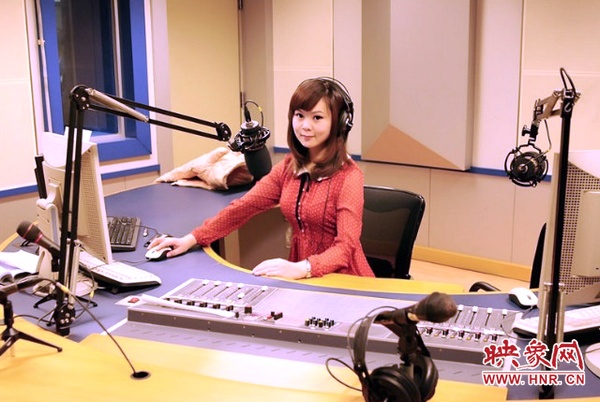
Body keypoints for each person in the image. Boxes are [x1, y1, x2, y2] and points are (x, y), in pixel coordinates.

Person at [148, 77, 374, 279]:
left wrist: (303, 268)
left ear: (339, 124)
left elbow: (346, 247)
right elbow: (243, 207)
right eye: (299, 115)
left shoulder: (349, 177)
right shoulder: (289, 167)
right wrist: (192, 238)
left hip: (345, 280)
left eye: (317, 117)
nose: (305, 126)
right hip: (302, 275)